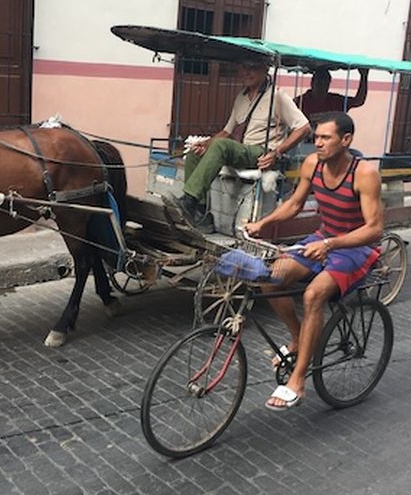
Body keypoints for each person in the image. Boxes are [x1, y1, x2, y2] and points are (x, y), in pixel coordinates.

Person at [244, 111, 384, 411]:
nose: (317, 143)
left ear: (346, 140)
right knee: (269, 278)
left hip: (356, 248)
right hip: (322, 239)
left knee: (313, 294)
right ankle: (298, 337)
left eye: (325, 138)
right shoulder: (313, 164)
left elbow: (374, 228)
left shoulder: (365, 174)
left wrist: (330, 243)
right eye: (316, 137)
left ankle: (298, 379)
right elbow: (295, 203)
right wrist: (263, 224)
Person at [165, 61, 311, 233]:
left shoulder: (278, 97)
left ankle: (189, 200)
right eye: (245, 68)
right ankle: (200, 213)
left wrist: (277, 152)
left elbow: (304, 128)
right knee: (194, 154)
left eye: (253, 68)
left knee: (221, 146)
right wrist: (204, 143)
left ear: (265, 69)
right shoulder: (241, 97)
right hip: (242, 150)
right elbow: (226, 132)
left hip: (261, 152)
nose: (247, 73)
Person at [297, 67, 369, 121]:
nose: (321, 87)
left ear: (329, 84)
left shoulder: (336, 101)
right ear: (312, 83)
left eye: (324, 83)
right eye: (318, 83)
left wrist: (364, 76)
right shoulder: (299, 102)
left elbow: (358, 101)